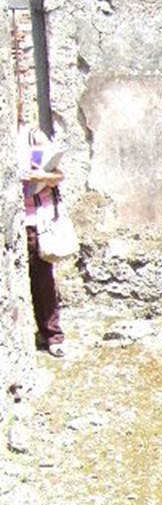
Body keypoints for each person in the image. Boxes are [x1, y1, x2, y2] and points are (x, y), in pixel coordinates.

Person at [18, 121, 66, 356]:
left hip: (35, 221)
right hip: (15, 219)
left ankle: (52, 335)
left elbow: (59, 176)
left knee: (42, 279)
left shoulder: (33, 136)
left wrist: (40, 176)